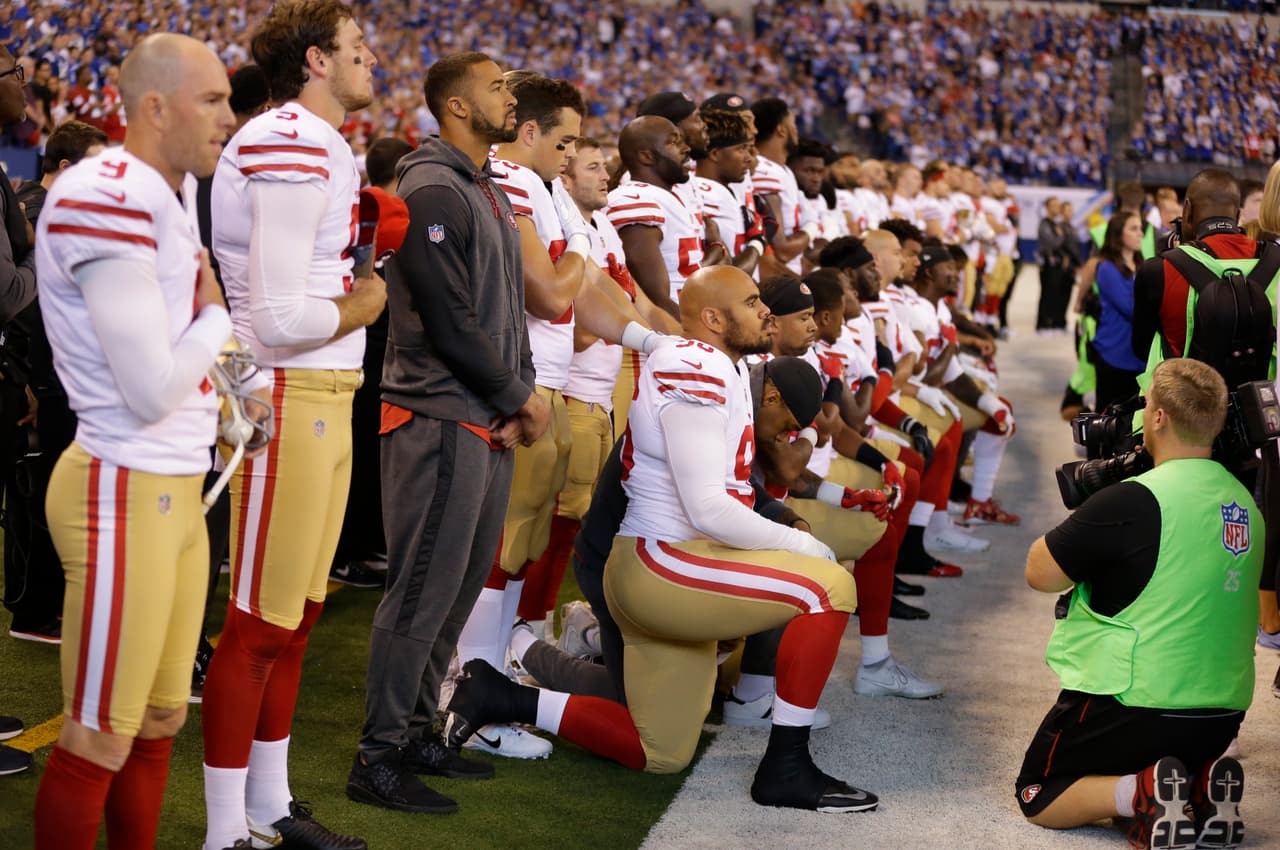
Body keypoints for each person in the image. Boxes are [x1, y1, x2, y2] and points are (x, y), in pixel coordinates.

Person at [442, 265, 878, 813]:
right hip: (662, 560)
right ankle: (786, 766)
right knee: (828, 586)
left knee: (661, 750)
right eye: (751, 301)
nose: (766, 309)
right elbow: (708, 507)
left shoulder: (706, 360)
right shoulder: (697, 368)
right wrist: (806, 548)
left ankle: (499, 693)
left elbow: (595, 290)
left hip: (669, 559)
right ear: (715, 319)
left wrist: (644, 331)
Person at [30, 33, 240, 850]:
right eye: (213, 100)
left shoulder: (169, 190)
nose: (229, 115)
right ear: (155, 107)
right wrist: (218, 316)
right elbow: (150, 388)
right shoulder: (105, 191)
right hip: (122, 481)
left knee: (157, 719)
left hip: (170, 485)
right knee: (99, 732)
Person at [201, 2, 386, 847]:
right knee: (258, 623)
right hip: (287, 390)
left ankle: (268, 807)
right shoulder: (288, 139)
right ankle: (220, 830)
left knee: (298, 614)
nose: (370, 61)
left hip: (324, 391)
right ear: (317, 60)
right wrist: (366, 301)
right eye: (356, 48)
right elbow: (275, 315)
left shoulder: (315, 143)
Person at [347, 51, 540, 815]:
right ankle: (378, 756)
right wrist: (518, 393)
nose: (509, 95)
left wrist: (511, 396)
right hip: (438, 412)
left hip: (479, 415)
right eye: (496, 87)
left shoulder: (479, 184)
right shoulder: (431, 184)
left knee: (456, 589)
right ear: (457, 106)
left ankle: (421, 727)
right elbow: (446, 315)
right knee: (420, 591)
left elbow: (503, 308)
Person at [455, 73, 664, 759]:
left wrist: (648, 341)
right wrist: (577, 255)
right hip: (526, 382)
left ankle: (490, 669)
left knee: (525, 544)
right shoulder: (513, 184)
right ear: (530, 132)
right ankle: (468, 688)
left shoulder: (545, 194)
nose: (575, 155)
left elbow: (589, 293)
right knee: (500, 549)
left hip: (545, 382)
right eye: (567, 141)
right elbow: (553, 296)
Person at [1017, 358, 1258, 850]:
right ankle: (1197, 785)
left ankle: (1141, 791)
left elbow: (1039, 573)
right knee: (1167, 751)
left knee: (1039, 794)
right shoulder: (1246, 502)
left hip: (1135, 704)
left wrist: (1100, 502)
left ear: (1159, 417)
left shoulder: (1133, 499)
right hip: (1222, 716)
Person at [514, 136, 676, 638]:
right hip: (572, 388)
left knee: (568, 528)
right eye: (591, 167)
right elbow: (582, 326)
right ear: (564, 180)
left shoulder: (599, 227)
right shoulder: (566, 234)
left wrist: (677, 343)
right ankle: (525, 633)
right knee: (548, 528)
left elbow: (634, 301)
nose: (605, 174)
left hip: (598, 395)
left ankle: (533, 631)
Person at [4, 119, 106, 646]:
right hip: (44, 379)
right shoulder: (46, 217)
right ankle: (37, 612)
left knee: (43, 497)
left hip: (43, 375)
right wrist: (35, 379)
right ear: (64, 168)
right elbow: (29, 308)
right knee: (47, 498)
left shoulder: (36, 209)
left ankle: (39, 608)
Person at [328, 135, 414, 590]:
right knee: (363, 456)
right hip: (372, 346)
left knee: (363, 455)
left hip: (365, 345)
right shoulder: (384, 206)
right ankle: (349, 549)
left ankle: (357, 545)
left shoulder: (371, 203)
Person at [607, 115, 702, 318]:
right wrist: (700, 336)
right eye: (673, 142)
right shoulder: (634, 198)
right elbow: (656, 301)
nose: (685, 148)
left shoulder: (669, 196)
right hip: (666, 335)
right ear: (646, 157)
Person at [1091, 212, 1148, 411]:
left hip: (1138, 357)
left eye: (1141, 228)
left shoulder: (1143, 266)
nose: (1140, 234)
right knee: (1108, 419)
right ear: (1118, 234)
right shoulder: (1107, 268)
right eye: (1133, 229)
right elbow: (1131, 309)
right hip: (1114, 354)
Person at [751, 97, 809, 275]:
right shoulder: (763, 170)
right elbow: (781, 249)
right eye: (793, 123)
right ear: (782, 130)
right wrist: (811, 229)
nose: (796, 129)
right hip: (777, 280)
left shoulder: (783, 170)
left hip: (789, 272)